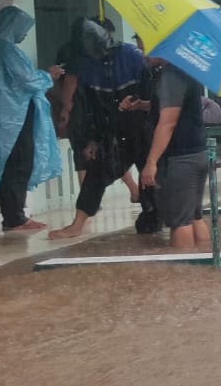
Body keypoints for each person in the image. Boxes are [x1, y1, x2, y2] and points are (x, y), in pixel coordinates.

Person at [49, 20, 152, 240]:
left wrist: (137, 102)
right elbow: (91, 107)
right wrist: (92, 139)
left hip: (142, 129)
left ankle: (153, 214)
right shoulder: (87, 65)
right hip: (113, 130)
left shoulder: (131, 56)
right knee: (95, 174)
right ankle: (77, 224)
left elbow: (151, 93)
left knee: (150, 181)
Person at [0, 6, 64, 233]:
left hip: (7, 114)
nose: (24, 34)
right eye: (23, 29)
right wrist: (48, 75)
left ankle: (15, 216)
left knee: (14, 163)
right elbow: (26, 80)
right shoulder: (6, 50)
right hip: (15, 114)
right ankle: (15, 218)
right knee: (19, 163)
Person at [139, 62, 211, 250]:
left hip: (180, 159)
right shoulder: (186, 70)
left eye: (144, 45)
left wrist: (151, 161)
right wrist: (141, 105)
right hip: (197, 153)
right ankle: (206, 269)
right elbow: (175, 106)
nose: (143, 51)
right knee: (194, 217)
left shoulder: (171, 76)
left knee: (180, 223)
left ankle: (182, 275)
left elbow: (167, 123)